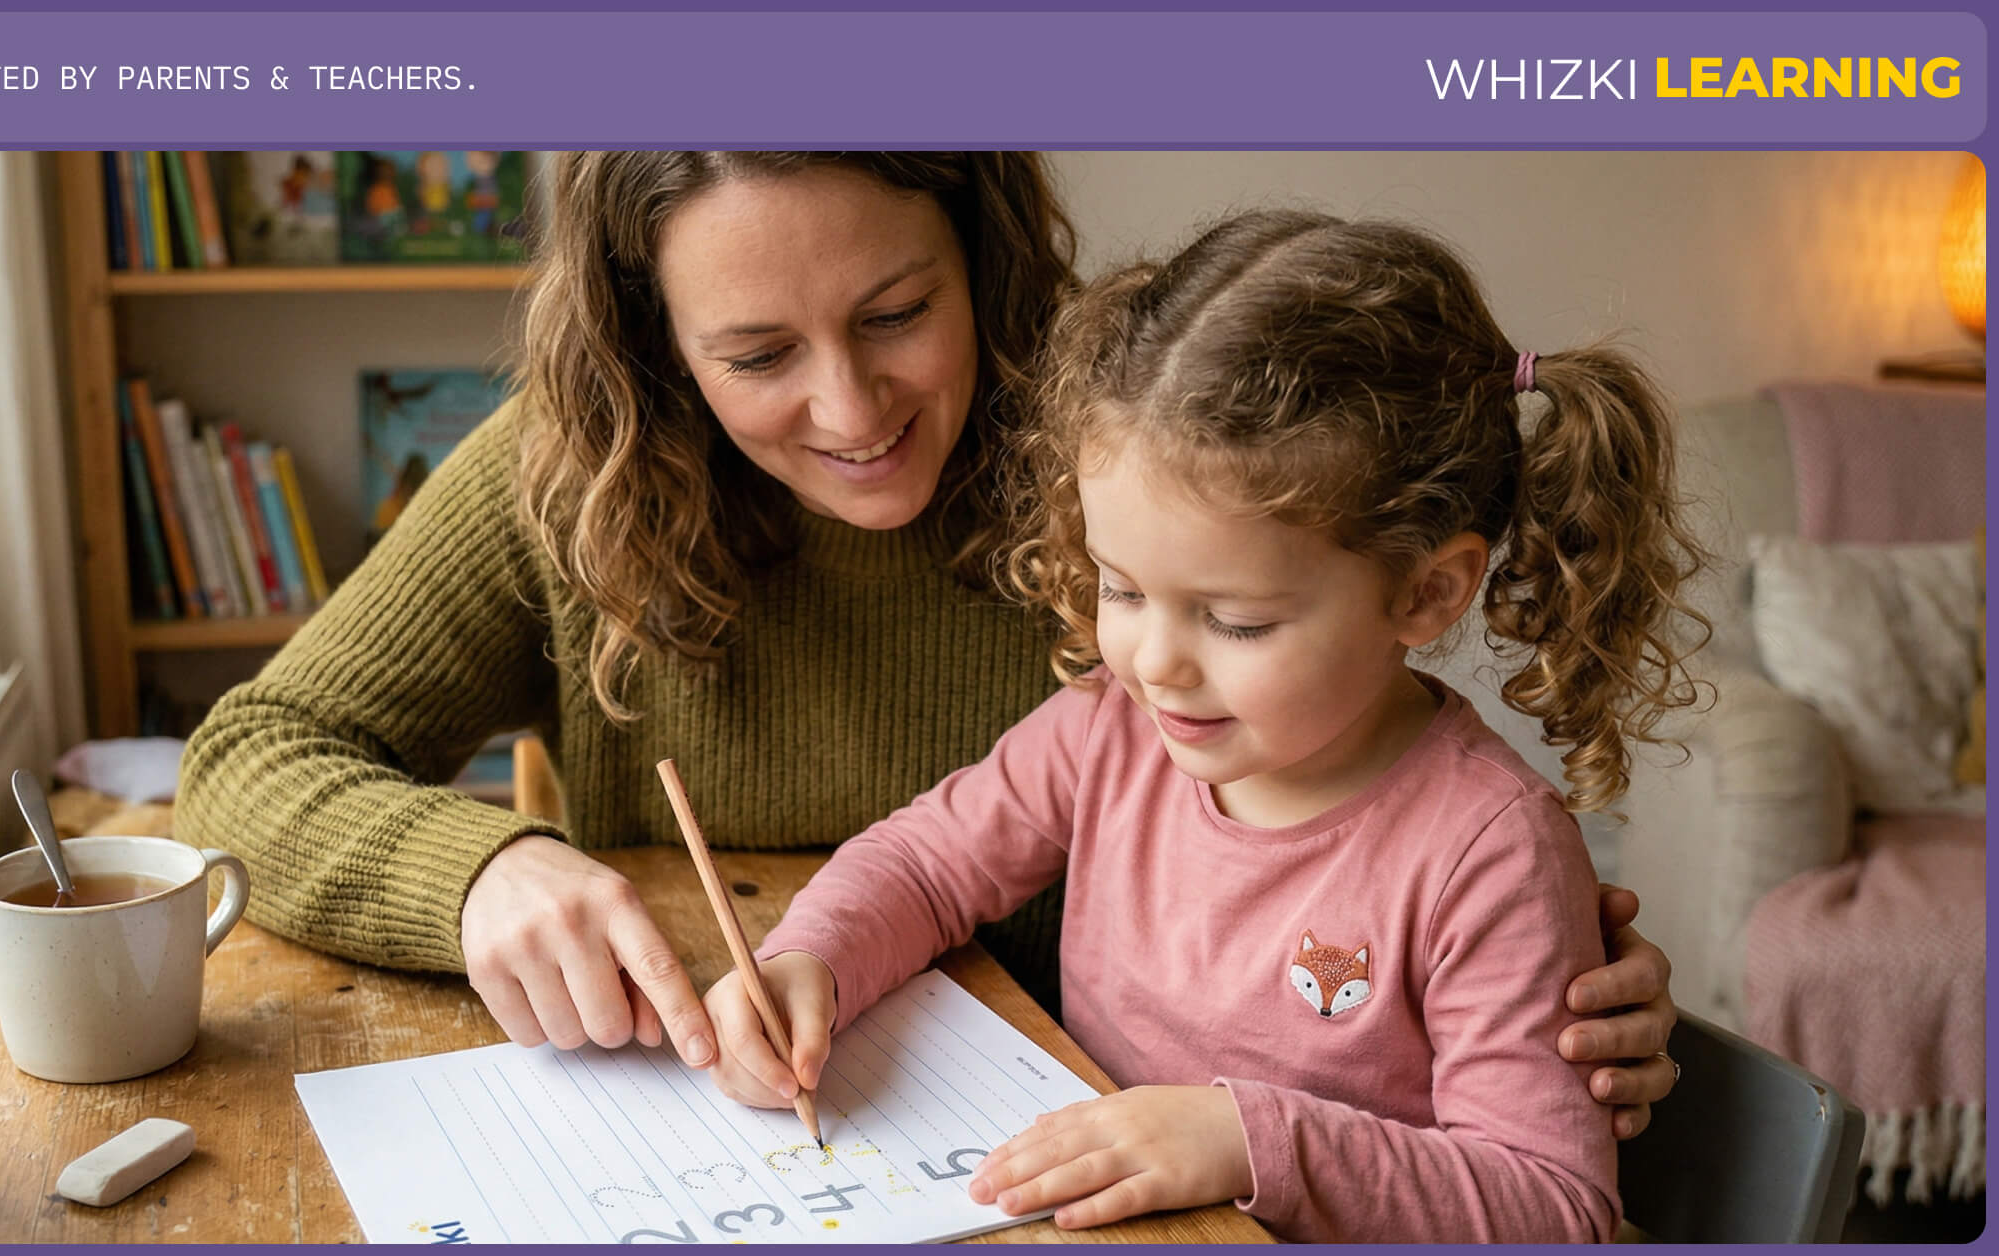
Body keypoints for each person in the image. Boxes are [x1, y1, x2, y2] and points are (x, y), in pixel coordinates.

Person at [174, 153, 1682, 1136]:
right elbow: (249, 757)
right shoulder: (572, 476)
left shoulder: (1150, 455)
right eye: (757, 353)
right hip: (789, 1115)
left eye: (898, 313)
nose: (850, 409)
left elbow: (1411, 951)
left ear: (979, 249)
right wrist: (483, 873)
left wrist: (1529, 1003)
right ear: (656, 344)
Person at [701, 210, 1711, 1241]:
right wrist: (813, 961)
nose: (1154, 663)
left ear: (1426, 590)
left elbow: (1554, 1207)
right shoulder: (1112, 726)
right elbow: (927, 864)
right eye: (1123, 588)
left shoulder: (1487, 850)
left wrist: (1246, 1141)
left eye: (1236, 620)